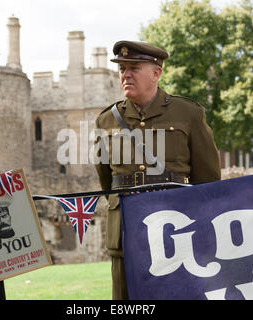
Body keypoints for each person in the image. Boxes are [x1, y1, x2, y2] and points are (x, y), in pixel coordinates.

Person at [94, 40, 221, 299]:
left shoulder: (188, 114)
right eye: (122, 69)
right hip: (126, 234)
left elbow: (208, 180)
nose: (125, 74)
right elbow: (107, 182)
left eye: (134, 68)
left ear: (156, 73)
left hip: (177, 232)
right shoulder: (106, 120)